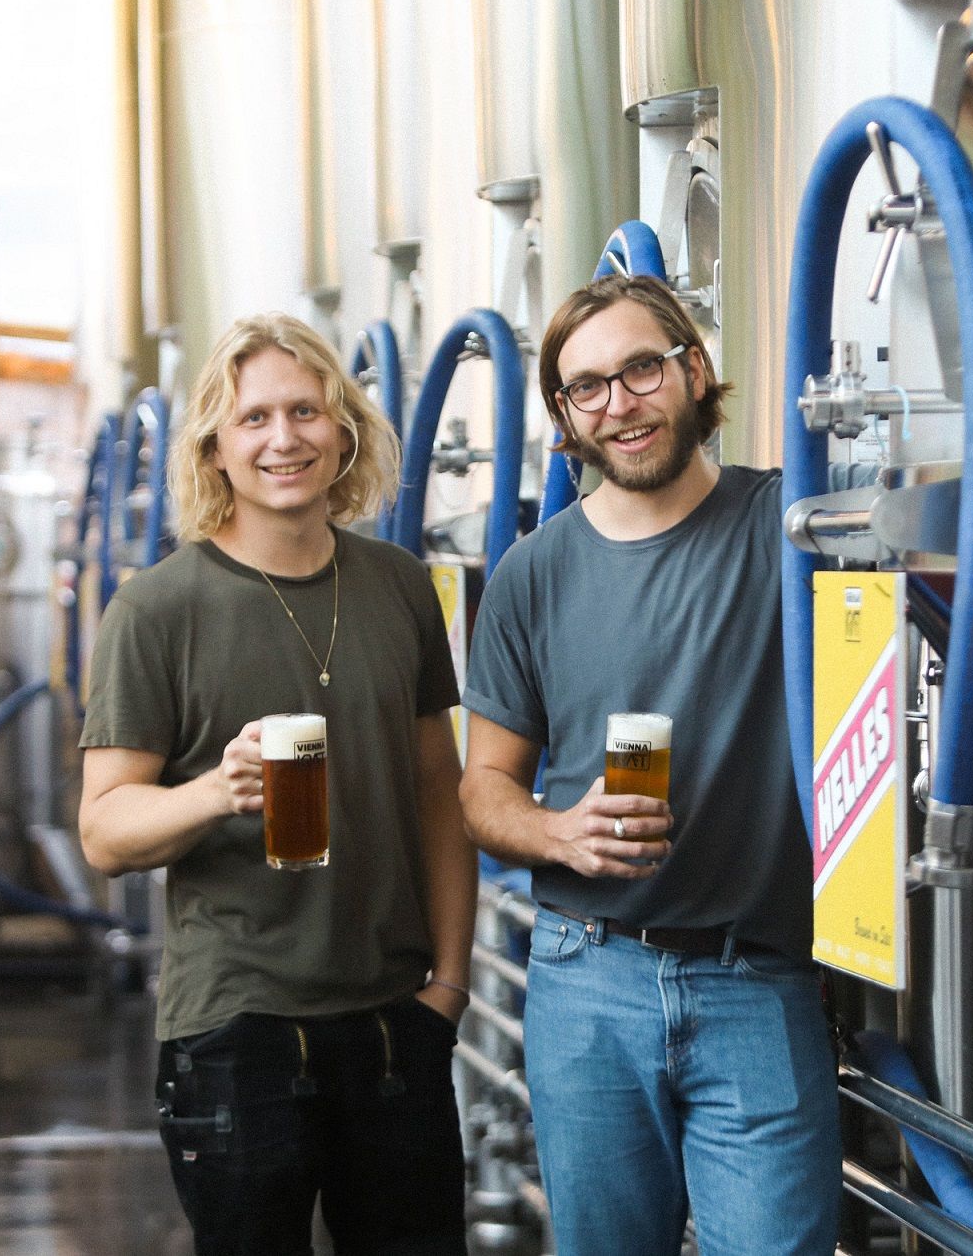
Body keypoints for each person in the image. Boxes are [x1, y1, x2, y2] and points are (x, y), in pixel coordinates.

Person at [78, 313, 475, 1256]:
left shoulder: (399, 586)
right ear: (215, 445)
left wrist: (450, 985)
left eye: (306, 411)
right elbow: (103, 830)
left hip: (391, 1023)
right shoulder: (156, 609)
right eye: (254, 418)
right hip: (236, 1031)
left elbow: (437, 794)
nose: (283, 438)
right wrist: (215, 791)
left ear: (345, 429)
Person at [460, 275, 840, 1255]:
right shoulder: (529, 575)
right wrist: (557, 830)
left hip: (753, 976)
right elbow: (481, 790)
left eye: (640, 369)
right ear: (562, 417)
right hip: (586, 976)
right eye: (587, 387)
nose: (619, 404)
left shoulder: (789, 530)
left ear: (693, 370)